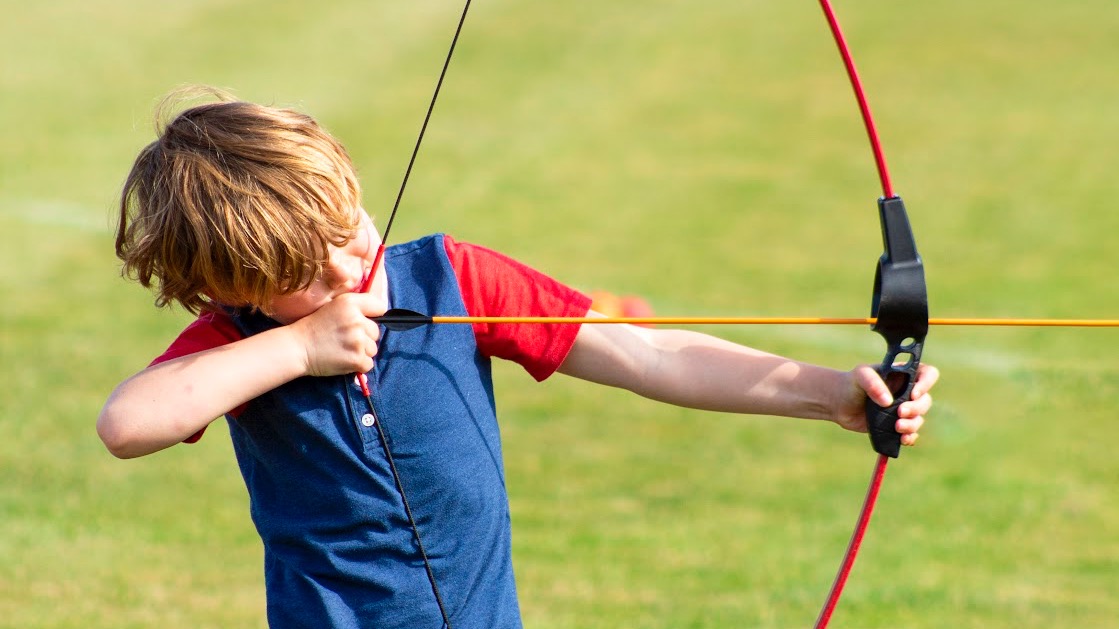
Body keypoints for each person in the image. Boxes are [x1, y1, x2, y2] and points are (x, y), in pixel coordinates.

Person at [98, 87, 938, 629]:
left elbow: (651, 354)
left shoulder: (451, 278)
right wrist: (297, 346)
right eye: (301, 278)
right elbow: (128, 423)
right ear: (232, 288)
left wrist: (830, 393)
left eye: (347, 232)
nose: (347, 272)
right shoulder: (242, 342)